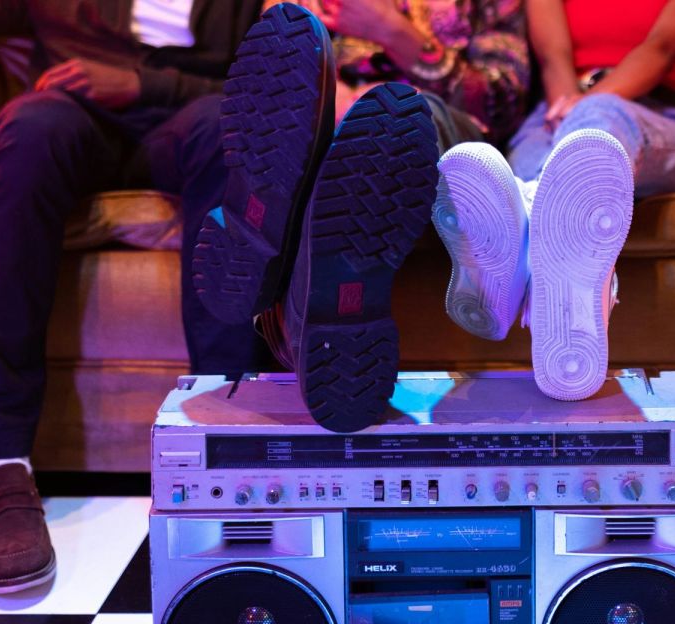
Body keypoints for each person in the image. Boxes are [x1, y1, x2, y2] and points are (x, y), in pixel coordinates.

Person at [0, 0, 289, 594]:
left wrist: (143, 83)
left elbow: (267, 83)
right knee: (29, 127)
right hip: (75, 120)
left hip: (190, 118)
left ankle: (226, 440)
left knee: (229, 127)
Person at [196, 0, 530, 432]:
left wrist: (397, 33)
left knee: (405, 115)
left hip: (435, 127)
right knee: (317, 124)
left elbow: (502, 101)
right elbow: (277, 51)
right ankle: (330, 283)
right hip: (324, 116)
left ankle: (283, 252)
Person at [431, 0, 675, 401]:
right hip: (555, 114)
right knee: (540, 166)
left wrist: (584, 109)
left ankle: (524, 258)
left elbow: (662, 48)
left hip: (657, 115)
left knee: (586, 144)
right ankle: (570, 276)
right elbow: (554, 57)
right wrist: (570, 109)